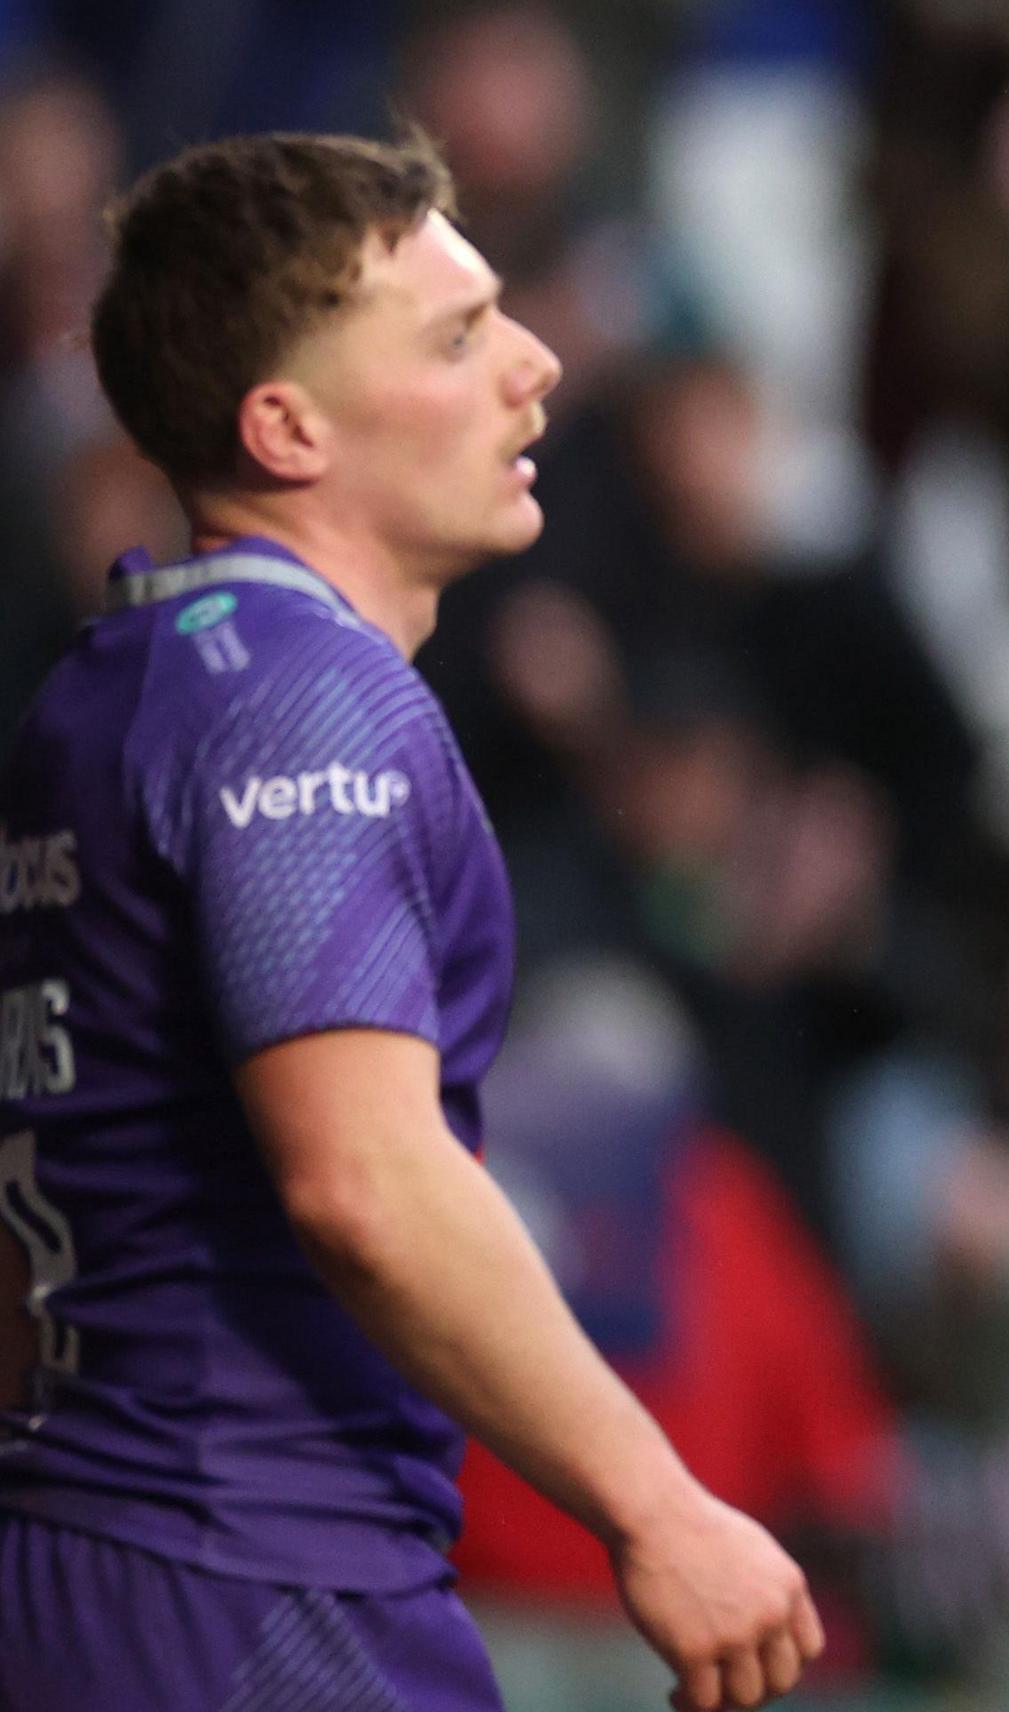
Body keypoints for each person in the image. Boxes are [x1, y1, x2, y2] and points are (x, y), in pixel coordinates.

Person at [0, 133, 820, 1709]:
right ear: (286, 425)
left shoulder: (111, 686)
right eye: (455, 338)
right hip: (247, 1581)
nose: (536, 365)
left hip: (90, 1548)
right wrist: (656, 1509)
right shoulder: (304, 706)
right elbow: (363, 1180)